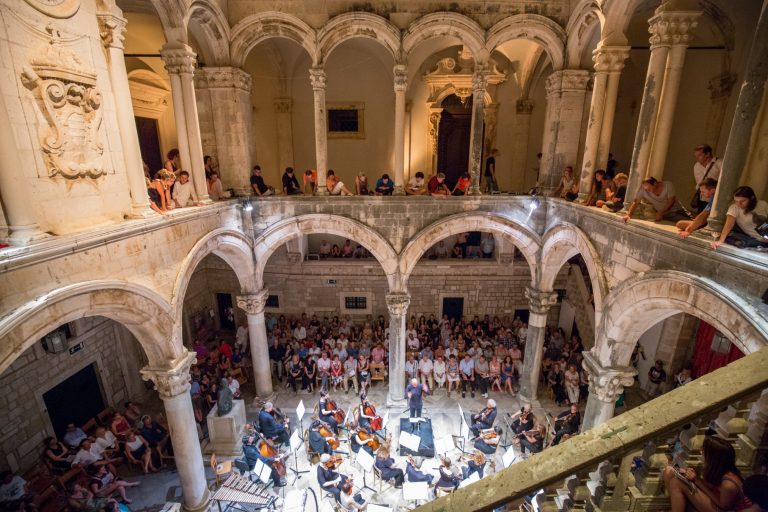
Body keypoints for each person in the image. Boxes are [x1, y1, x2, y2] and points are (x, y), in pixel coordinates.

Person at [663, 435, 747, 512]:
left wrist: (697, 481)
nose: (701, 451)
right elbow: (711, 487)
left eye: (703, 450)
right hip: (715, 503)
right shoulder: (719, 470)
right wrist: (690, 475)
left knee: (676, 482)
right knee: (669, 471)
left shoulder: (729, 484)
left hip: (722, 509)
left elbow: (723, 506)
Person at [710, 186, 768, 250]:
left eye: (742, 201)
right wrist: (721, 241)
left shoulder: (762, 204)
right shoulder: (734, 208)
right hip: (756, 240)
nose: (739, 204)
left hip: (765, 236)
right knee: (734, 238)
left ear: (752, 198)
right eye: (736, 201)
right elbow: (728, 225)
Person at [623, 177, 691, 223]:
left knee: (692, 220)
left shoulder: (668, 185)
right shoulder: (643, 189)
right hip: (666, 214)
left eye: (649, 189)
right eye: (645, 189)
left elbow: (671, 201)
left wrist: (661, 212)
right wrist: (628, 214)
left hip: (678, 209)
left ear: (655, 183)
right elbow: (635, 202)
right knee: (685, 222)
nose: (647, 191)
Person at [692, 144, 722, 213]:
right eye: (696, 156)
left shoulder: (719, 163)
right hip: (702, 198)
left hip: (714, 198)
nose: (697, 158)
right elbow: (698, 181)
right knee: (701, 216)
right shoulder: (696, 166)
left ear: (707, 154)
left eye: (699, 155)